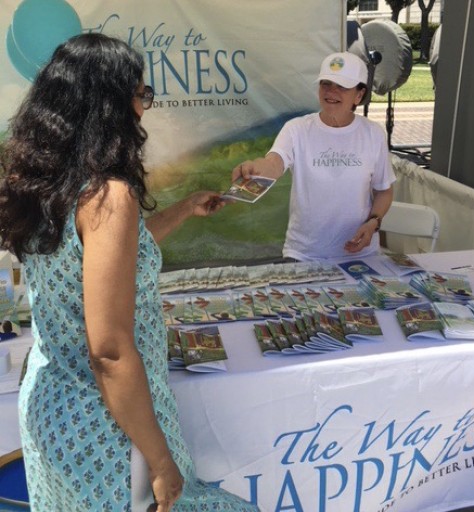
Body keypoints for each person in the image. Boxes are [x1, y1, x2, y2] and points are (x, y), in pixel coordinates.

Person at [0, 33, 258, 512]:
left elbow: (107, 261)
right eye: (140, 95)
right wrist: (161, 462)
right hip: (106, 426)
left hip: (52, 409)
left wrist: (182, 209)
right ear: (108, 105)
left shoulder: (43, 181)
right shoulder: (106, 194)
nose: (145, 108)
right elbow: (110, 353)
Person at [232, 52, 395, 262]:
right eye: (325, 83)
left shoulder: (373, 134)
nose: (331, 91)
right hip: (305, 254)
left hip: (361, 255)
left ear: (359, 95)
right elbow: (274, 163)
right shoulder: (296, 129)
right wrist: (255, 168)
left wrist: (373, 222)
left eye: (342, 86)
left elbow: (384, 192)